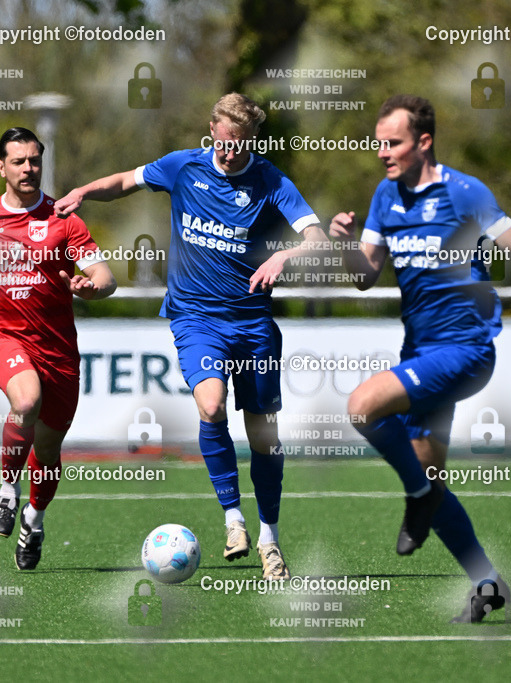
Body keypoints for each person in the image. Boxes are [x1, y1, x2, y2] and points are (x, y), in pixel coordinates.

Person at [56, 93, 328, 580]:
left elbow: (318, 239)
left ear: (252, 140)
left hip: (253, 324)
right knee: (210, 405)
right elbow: (125, 181)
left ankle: (269, 537)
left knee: (263, 436)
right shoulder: (183, 167)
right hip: (195, 316)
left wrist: (282, 257)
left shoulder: (270, 180)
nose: (226, 151)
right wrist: (83, 192)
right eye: (221, 140)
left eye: (237, 143)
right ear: (212, 129)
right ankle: (233, 520)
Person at [330, 94, 511, 622]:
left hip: (467, 349)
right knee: (431, 475)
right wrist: (342, 246)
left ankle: (415, 493)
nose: (383, 152)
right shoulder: (385, 195)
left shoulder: (465, 192)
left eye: (394, 143)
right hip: (421, 351)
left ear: (423, 142)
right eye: (378, 142)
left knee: (362, 407)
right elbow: (365, 277)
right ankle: (488, 583)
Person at [0, 127, 116, 570]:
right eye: (18, 161)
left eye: (34, 160)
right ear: (2, 167)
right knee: (26, 399)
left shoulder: (64, 219)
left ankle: (34, 521)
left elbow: (106, 278)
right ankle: (6, 495)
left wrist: (90, 289)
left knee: (50, 452)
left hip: (58, 351)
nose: (27, 169)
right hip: (3, 337)